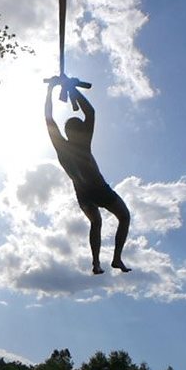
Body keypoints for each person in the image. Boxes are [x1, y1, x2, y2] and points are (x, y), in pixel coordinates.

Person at [45, 77, 131, 274]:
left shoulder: (61, 147)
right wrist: (72, 89)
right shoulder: (82, 144)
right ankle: (115, 258)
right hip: (99, 189)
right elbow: (90, 112)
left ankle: (96, 263)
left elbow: (48, 118)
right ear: (79, 131)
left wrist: (51, 91)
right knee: (124, 217)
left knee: (96, 222)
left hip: (83, 194)